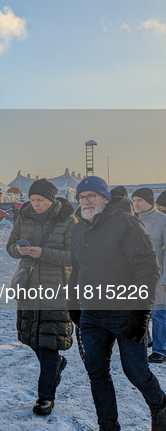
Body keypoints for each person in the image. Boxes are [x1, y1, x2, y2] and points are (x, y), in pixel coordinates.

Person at [68, 176, 166, 431]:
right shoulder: (79, 228)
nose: (86, 201)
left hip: (125, 312)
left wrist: (141, 313)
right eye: (82, 197)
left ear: (105, 198)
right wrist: (72, 301)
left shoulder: (125, 223)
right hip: (91, 314)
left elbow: (148, 267)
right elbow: (77, 267)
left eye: (92, 196)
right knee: (96, 373)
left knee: (136, 372)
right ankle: (108, 426)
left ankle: (160, 406)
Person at [6, 179, 74, 416]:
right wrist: (20, 250)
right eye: (33, 199)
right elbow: (10, 246)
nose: (35, 204)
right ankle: (56, 366)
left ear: (52, 199)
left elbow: (75, 256)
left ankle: (46, 397)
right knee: (33, 338)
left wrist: (44, 253)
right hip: (27, 285)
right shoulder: (23, 216)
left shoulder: (67, 220)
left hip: (56, 289)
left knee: (48, 344)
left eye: (41, 200)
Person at [132, 188, 166, 363]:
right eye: (134, 200)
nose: (136, 204)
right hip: (135, 276)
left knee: (159, 314)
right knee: (138, 310)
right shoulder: (130, 220)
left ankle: (161, 350)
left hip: (157, 275)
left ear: (150, 202)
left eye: (140, 200)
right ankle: (147, 340)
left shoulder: (162, 221)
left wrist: (165, 278)